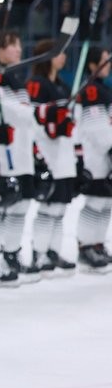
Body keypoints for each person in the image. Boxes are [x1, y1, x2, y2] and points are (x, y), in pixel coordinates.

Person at [0, 30, 38, 286]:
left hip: (22, 153)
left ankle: (11, 253)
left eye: (19, 45)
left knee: (21, 206)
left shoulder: (15, 78)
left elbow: (25, 116)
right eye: (12, 45)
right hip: (1, 154)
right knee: (1, 207)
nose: (18, 50)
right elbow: (11, 114)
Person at [26, 39, 79, 275]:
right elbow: (33, 118)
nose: (64, 57)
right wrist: (53, 127)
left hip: (64, 154)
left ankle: (53, 250)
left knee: (60, 208)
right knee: (48, 207)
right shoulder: (37, 84)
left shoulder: (62, 86)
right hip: (48, 153)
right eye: (60, 53)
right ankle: (39, 252)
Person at [75, 47, 112, 271]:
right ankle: (85, 246)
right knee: (95, 203)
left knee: (107, 203)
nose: (109, 64)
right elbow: (95, 128)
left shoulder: (103, 88)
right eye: (105, 60)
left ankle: (98, 243)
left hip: (106, 157)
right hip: (95, 157)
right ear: (92, 65)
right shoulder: (91, 89)